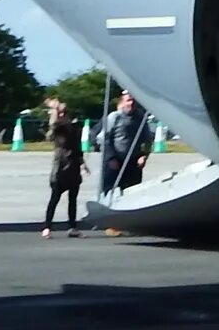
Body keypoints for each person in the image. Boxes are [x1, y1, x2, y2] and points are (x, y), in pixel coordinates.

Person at [94, 90, 151, 230]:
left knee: (132, 192)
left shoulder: (140, 118)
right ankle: (106, 221)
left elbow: (148, 139)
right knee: (109, 191)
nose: (131, 103)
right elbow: (103, 138)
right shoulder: (114, 117)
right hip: (115, 160)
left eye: (133, 100)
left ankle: (128, 223)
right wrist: (111, 157)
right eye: (128, 100)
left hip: (133, 161)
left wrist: (144, 155)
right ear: (122, 101)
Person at [39, 97, 84, 237]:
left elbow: (78, 147)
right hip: (60, 167)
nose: (63, 115)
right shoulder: (58, 129)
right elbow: (52, 128)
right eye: (61, 113)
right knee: (55, 198)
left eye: (65, 113)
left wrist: (82, 163)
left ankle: (72, 227)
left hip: (74, 167)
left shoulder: (75, 128)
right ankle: (47, 226)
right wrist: (54, 110)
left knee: (73, 199)